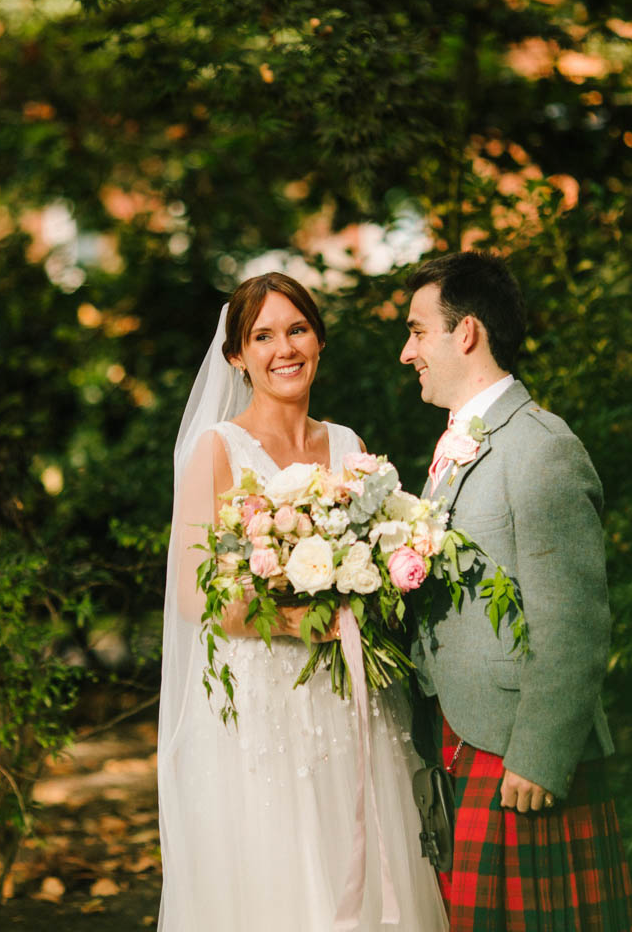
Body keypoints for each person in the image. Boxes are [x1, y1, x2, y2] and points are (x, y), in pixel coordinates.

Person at [157, 273, 448, 932]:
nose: (283, 348)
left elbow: (383, 557)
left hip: (352, 707)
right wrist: (295, 620)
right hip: (262, 716)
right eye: (262, 336)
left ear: (318, 340)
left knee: (370, 860)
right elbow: (191, 594)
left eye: (296, 330)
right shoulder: (218, 450)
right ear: (236, 356)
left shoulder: (347, 447)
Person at [400, 251, 632, 932]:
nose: (406, 351)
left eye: (418, 331)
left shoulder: (541, 448)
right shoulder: (464, 443)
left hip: (517, 758)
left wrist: (539, 757)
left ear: (466, 332)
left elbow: (575, 621)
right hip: (461, 740)